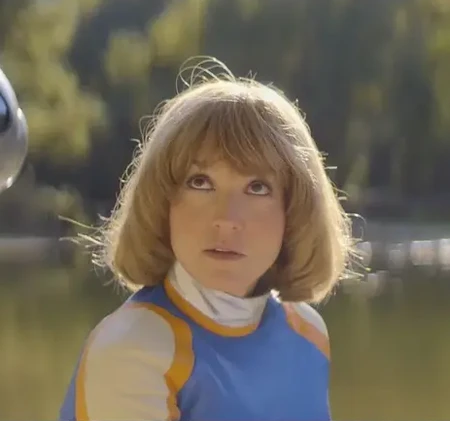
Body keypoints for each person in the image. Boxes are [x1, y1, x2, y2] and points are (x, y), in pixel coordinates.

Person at [59, 57, 357, 421]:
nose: (226, 220)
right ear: (162, 202)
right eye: (200, 183)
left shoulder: (308, 335)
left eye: (257, 188)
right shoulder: (132, 348)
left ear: (294, 212)